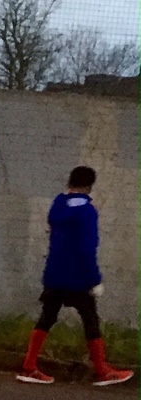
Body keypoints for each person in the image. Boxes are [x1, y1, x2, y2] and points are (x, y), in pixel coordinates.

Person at [18, 165, 132, 388]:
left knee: (47, 318)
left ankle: (29, 366)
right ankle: (101, 370)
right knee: (90, 320)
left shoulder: (58, 206)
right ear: (90, 186)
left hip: (54, 274)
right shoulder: (88, 213)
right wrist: (95, 279)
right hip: (78, 278)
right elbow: (87, 248)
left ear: (70, 182)